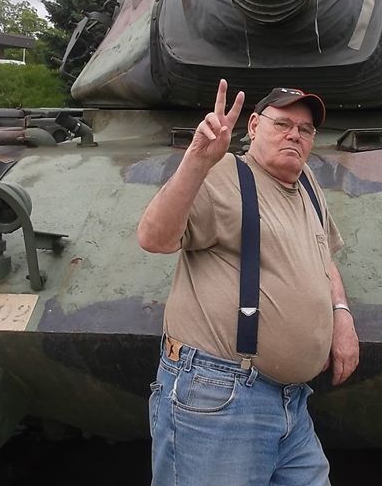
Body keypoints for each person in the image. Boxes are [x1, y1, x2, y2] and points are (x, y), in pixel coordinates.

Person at [137, 79, 360, 486]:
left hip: (291, 405)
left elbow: (323, 255)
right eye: (282, 124)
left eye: (305, 129)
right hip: (221, 396)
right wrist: (197, 161)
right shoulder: (221, 175)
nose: (294, 135)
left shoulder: (307, 183)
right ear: (254, 126)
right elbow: (154, 238)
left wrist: (341, 314)